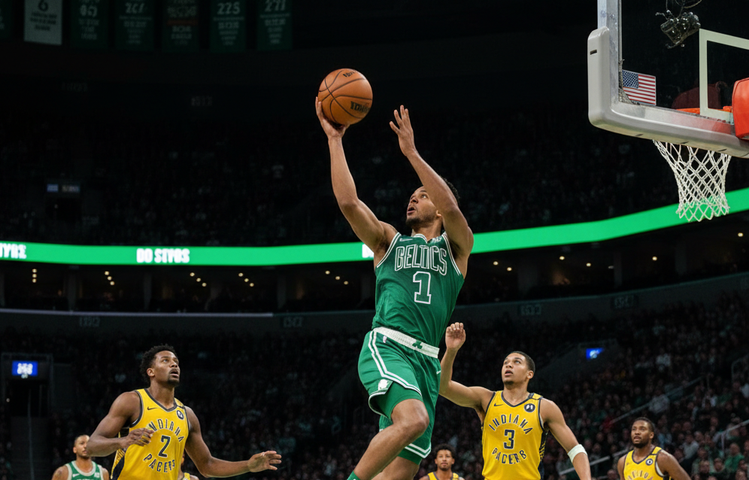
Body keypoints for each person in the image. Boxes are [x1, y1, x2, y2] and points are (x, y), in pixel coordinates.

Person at [317, 100, 473, 480]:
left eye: (422, 195)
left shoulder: (457, 248)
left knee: (402, 472)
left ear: (436, 208)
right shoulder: (389, 241)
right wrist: (335, 141)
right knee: (414, 418)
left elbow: (452, 208)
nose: (413, 197)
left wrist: (412, 153)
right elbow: (349, 202)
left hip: (426, 363)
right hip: (388, 345)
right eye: (413, 194)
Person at [86, 345, 281, 479]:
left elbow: (207, 466)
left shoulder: (187, 415)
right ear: (151, 372)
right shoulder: (132, 401)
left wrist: (248, 465)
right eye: (165, 360)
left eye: (176, 362)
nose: (174, 364)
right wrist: (122, 441)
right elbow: (92, 445)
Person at [438, 323, 591, 480]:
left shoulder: (544, 407)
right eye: (505, 362)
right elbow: (443, 387)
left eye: (517, 362)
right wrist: (451, 351)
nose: (508, 364)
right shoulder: (486, 399)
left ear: (529, 374)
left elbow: (575, 449)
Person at [617, 418, 689, 480]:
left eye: (642, 429)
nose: (637, 432)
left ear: (651, 435)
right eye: (634, 429)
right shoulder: (623, 462)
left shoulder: (663, 458)